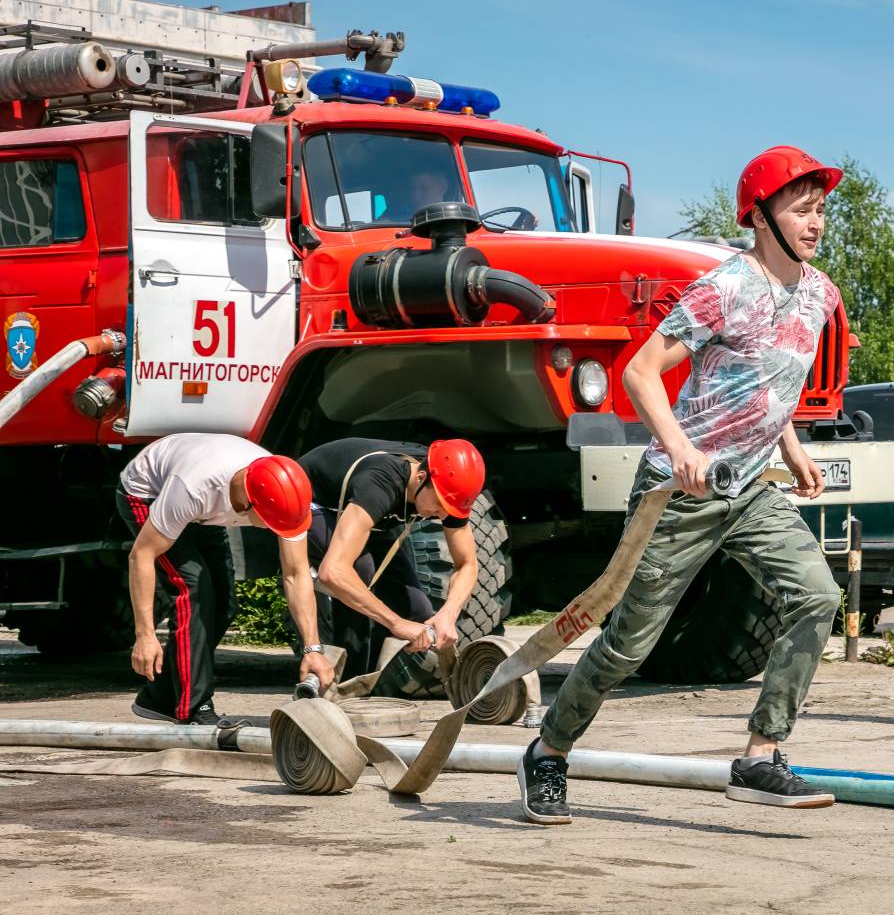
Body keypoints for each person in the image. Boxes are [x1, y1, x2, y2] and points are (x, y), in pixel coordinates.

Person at [516, 146, 845, 824]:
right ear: (759, 217)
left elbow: (768, 383)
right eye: (800, 208)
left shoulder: (819, 293)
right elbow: (640, 372)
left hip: (749, 488)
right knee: (629, 645)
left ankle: (759, 755)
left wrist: (792, 446)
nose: (814, 222)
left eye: (820, 210)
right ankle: (547, 751)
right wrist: (681, 448)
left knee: (816, 594)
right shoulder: (724, 287)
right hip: (679, 490)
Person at [118, 433, 333, 725]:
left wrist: (313, 649)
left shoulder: (284, 493)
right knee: (194, 588)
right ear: (247, 505)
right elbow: (141, 556)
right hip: (149, 491)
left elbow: (296, 574)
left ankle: (160, 697)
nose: (275, 530)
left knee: (224, 603)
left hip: (202, 505)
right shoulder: (194, 489)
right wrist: (144, 635)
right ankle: (194, 709)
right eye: (271, 524)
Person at [299, 437, 484, 677]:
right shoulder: (380, 482)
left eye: (449, 510)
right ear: (420, 478)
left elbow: (467, 564)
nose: (441, 516)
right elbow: (333, 571)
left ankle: (372, 675)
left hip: (365, 518)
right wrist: (396, 623)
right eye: (439, 505)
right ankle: (342, 681)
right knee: (358, 568)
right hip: (309, 502)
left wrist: (448, 614)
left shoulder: (447, 490)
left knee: (417, 613)